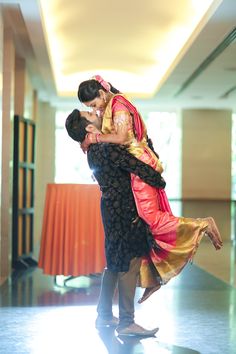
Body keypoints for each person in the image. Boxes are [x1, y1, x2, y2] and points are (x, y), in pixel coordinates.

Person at [77, 75, 223, 303]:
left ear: (102, 94)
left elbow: (123, 137)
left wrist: (94, 138)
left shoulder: (118, 105)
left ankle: (202, 224)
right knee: (146, 227)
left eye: (93, 105)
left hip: (140, 166)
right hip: (139, 166)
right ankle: (154, 278)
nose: (95, 111)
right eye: (90, 110)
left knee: (151, 218)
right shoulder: (114, 104)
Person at [65, 108, 166, 337]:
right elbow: (137, 166)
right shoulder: (105, 148)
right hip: (124, 209)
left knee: (113, 263)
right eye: (89, 114)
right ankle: (127, 322)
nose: (94, 112)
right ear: (90, 127)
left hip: (110, 208)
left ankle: (104, 315)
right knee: (128, 264)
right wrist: (159, 179)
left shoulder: (92, 149)